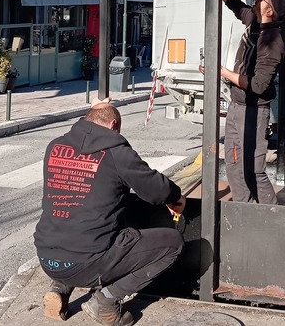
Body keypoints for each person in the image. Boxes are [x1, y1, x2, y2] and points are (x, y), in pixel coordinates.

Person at [34, 100, 186, 325]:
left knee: (78, 216)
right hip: (85, 264)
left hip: (47, 258)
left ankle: (60, 289)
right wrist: (176, 197)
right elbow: (157, 190)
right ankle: (105, 300)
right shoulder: (116, 153)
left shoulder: (55, 146)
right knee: (172, 244)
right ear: (114, 125)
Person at [196, 0, 285, 204]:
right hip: (238, 106)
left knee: (253, 170)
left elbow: (259, 85)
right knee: (235, 167)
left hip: (254, 111)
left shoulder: (272, 42)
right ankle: (242, 213)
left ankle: (270, 216)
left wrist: (223, 73)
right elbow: (230, 0)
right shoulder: (254, 20)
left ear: (269, 10)